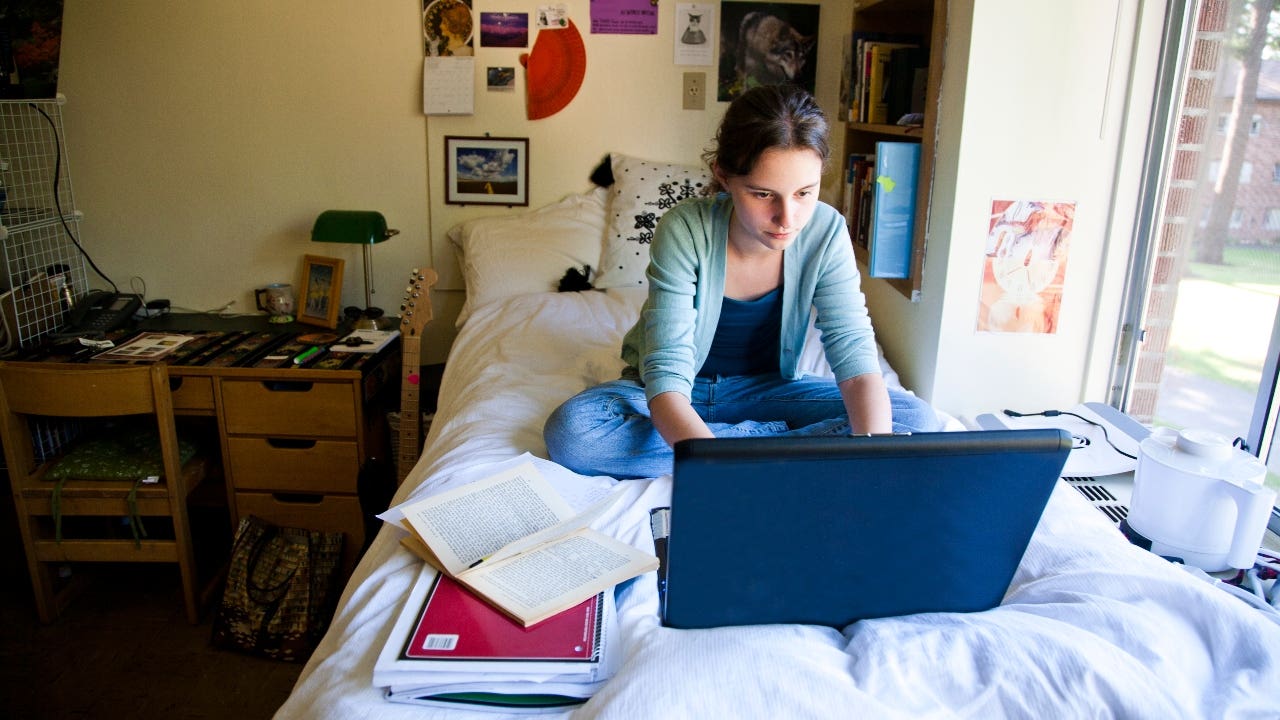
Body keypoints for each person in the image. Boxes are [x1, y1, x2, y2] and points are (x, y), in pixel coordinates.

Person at [544, 84, 940, 479]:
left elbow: (855, 361)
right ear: (724, 175)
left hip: (768, 391)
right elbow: (666, 378)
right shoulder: (685, 228)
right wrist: (718, 469)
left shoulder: (826, 231)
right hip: (679, 394)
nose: (788, 218)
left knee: (914, 419)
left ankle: (739, 445)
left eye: (805, 192)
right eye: (763, 194)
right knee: (575, 435)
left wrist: (874, 459)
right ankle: (775, 446)